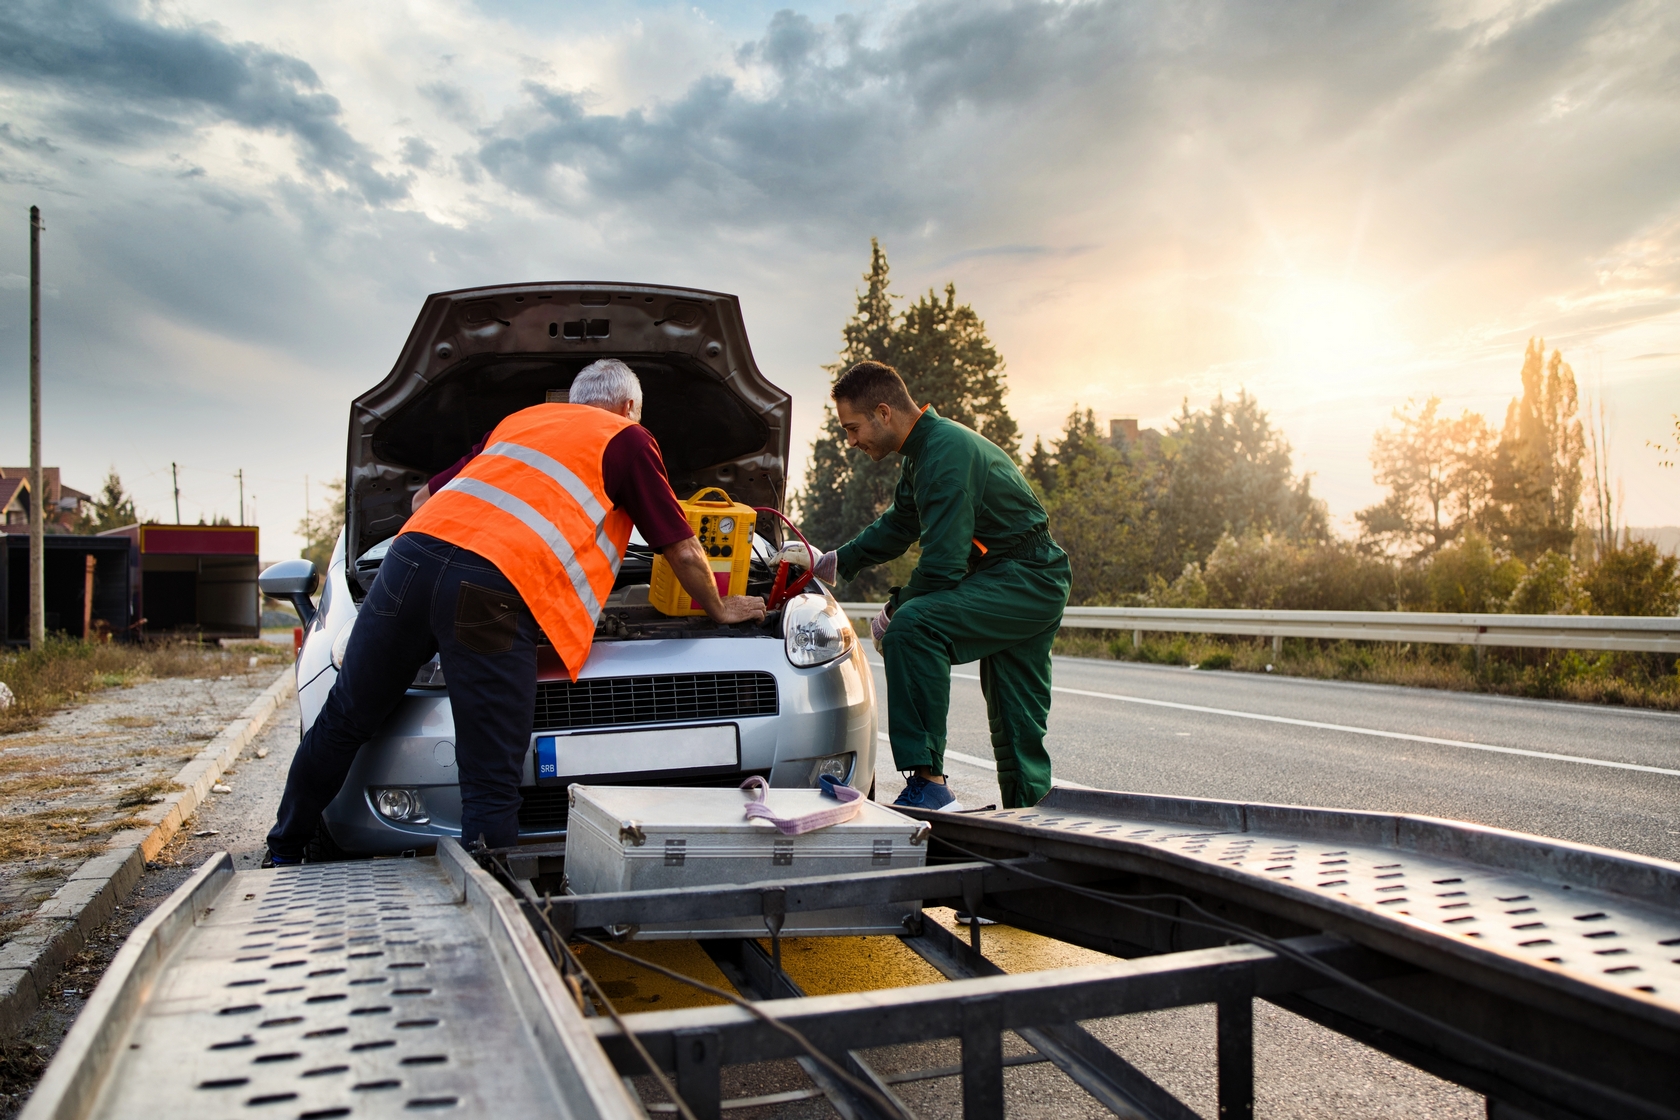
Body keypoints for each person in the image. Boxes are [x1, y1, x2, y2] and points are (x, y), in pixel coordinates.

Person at [264, 359, 766, 864]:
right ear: (630, 407)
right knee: (489, 775)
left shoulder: (518, 423)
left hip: (408, 561)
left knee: (343, 721)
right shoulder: (627, 438)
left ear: (572, 401)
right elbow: (680, 548)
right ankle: (488, 906)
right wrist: (719, 608)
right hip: (489, 586)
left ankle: (283, 850)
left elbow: (421, 498)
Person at [810, 361, 1070, 810]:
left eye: (853, 428)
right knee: (1016, 719)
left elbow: (943, 566)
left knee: (915, 626)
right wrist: (833, 563)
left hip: (1026, 577)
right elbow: (899, 525)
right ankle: (1032, 818)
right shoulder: (924, 453)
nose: (851, 441)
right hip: (1019, 577)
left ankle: (929, 785)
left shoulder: (943, 454)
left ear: (884, 412)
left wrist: (896, 609)